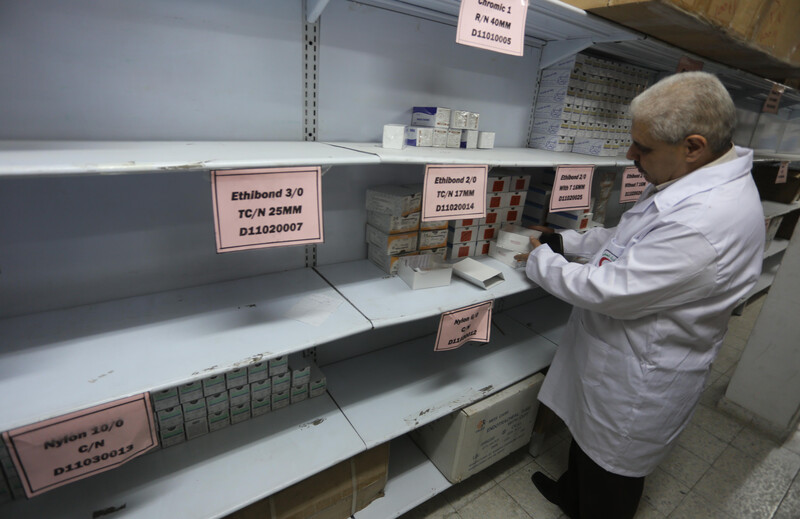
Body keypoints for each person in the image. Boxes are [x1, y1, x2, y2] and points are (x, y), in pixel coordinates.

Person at [514, 71, 765, 518]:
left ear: (692, 146)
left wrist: (540, 260)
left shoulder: (705, 220)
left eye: (642, 148)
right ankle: (571, 497)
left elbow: (608, 289)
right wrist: (565, 242)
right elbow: (629, 238)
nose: (630, 155)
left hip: (640, 376)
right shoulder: (694, 178)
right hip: (618, 355)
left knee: (610, 475)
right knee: (588, 450)